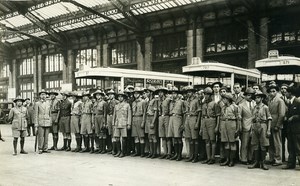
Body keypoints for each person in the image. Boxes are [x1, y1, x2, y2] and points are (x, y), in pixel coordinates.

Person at [248, 91, 272, 170]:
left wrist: (268, 130)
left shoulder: (265, 107)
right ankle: (256, 162)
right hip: (255, 126)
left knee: (263, 144)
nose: (256, 99)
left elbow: (269, 119)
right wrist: (251, 130)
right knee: (255, 144)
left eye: (258, 97)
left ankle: (263, 162)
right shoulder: (254, 107)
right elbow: (252, 119)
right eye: (255, 98)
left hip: (263, 125)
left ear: (262, 98)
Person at [219, 93, 241, 167]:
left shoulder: (234, 107)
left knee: (232, 143)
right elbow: (221, 117)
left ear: (228, 99)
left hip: (232, 124)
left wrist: (238, 129)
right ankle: (227, 159)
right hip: (224, 124)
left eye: (224, 99)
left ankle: (232, 160)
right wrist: (220, 127)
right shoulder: (223, 107)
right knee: (226, 143)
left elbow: (238, 118)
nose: (223, 100)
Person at [267, 84, 286, 166]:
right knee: (270, 142)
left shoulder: (280, 101)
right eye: (270, 91)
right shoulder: (269, 101)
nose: (272, 93)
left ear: (277, 92)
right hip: (270, 124)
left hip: (276, 124)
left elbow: (282, 114)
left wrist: (278, 125)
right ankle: (271, 158)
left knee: (277, 142)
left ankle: (278, 159)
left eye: (274, 91)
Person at [282, 87, 300, 169]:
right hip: (290, 129)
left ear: (290, 93)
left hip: (296, 129)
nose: (285, 94)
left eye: (286, 92)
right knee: (290, 147)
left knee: (298, 147)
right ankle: (290, 164)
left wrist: (294, 117)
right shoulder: (290, 103)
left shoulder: (298, 102)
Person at [168, 86, 186, 161]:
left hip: (178, 118)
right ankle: (176, 153)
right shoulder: (171, 102)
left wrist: (183, 123)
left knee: (178, 137)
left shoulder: (181, 102)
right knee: (174, 138)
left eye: (175, 93)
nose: (173, 95)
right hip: (171, 118)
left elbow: (184, 113)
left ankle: (179, 154)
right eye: (172, 93)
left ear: (178, 94)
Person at [239, 88, 256, 164]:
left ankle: (250, 158)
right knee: (244, 143)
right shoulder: (241, 105)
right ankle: (244, 158)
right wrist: (240, 126)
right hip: (245, 125)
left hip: (254, 126)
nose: (250, 97)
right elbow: (239, 117)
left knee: (252, 143)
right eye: (248, 95)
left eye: (252, 95)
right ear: (245, 96)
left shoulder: (255, 103)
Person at [113, 91, 132, 158]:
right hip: (117, 123)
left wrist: (129, 124)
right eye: (119, 97)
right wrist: (113, 123)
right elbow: (114, 115)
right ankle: (119, 151)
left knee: (124, 138)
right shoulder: (116, 106)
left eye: (121, 96)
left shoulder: (127, 105)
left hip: (124, 123)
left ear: (124, 98)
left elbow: (129, 115)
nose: (120, 98)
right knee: (117, 138)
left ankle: (123, 152)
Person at [184, 86, 201, 163]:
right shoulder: (187, 101)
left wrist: (197, 122)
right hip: (187, 118)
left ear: (193, 93)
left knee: (195, 139)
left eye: (190, 92)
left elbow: (199, 111)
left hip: (194, 118)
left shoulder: (196, 100)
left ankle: (195, 156)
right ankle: (191, 155)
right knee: (190, 138)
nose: (188, 93)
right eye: (187, 92)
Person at [156, 87, 171, 159]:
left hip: (166, 116)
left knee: (168, 135)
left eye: (161, 92)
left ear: (164, 93)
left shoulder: (168, 100)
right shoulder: (158, 101)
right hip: (160, 117)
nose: (160, 94)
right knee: (162, 136)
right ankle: (165, 152)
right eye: (159, 92)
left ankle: (169, 153)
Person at [35, 89, 52, 154]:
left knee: (46, 136)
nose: (43, 96)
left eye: (44, 94)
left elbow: (50, 113)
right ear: (40, 96)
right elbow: (36, 114)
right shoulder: (37, 104)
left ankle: (45, 148)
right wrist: (36, 123)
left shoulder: (48, 103)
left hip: (47, 121)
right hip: (40, 121)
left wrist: (50, 121)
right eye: (42, 94)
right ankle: (40, 148)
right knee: (40, 136)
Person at [131, 87, 147, 157]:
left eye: (137, 93)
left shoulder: (143, 102)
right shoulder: (133, 102)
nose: (135, 94)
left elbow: (144, 113)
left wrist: (143, 121)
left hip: (140, 118)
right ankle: (137, 152)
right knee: (135, 136)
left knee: (141, 137)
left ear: (140, 94)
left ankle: (142, 153)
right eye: (134, 93)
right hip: (134, 119)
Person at [144, 86, 158, 158]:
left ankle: (154, 153)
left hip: (152, 118)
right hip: (148, 118)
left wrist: (153, 122)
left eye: (148, 92)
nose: (146, 93)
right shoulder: (148, 101)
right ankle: (151, 152)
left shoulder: (155, 100)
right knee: (149, 136)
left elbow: (156, 112)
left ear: (151, 93)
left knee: (153, 136)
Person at [93, 90, 108, 154]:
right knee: (98, 133)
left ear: (101, 96)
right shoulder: (95, 103)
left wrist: (104, 122)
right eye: (97, 95)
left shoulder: (104, 103)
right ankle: (100, 148)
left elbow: (105, 113)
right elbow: (94, 112)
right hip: (96, 117)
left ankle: (103, 149)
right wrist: (93, 122)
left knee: (103, 133)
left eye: (99, 95)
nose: (98, 96)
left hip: (102, 117)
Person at [106, 89, 119, 154]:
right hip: (109, 117)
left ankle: (115, 149)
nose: (110, 96)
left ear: (114, 95)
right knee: (110, 133)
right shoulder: (107, 102)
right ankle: (111, 148)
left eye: (111, 94)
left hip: (115, 117)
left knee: (115, 133)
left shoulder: (117, 102)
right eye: (109, 94)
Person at [280, 83, 289, 162]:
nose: (283, 90)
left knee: (290, 141)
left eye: (285, 88)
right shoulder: (279, 98)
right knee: (281, 140)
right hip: (282, 122)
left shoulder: (290, 99)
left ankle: (291, 158)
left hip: (289, 123)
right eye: (282, 88)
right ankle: (282, 157)